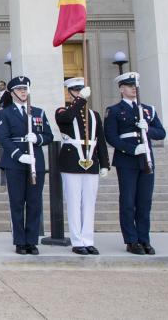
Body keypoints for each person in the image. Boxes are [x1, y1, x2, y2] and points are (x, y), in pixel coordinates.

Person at [104, 72, 166, 255]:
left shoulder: (148, 110)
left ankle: (144, 239)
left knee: (144, 202)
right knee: (128, 201)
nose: (133, 88)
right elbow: (111, 137)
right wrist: (131, 149)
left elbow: (161, 133)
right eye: (130, 86)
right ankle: (131, 240)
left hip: (146, 159)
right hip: (127, 159)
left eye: (135, 86)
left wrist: (149, 129)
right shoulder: (114, 110)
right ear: (122, 89)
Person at [0, 76, 53, 255]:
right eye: (19, 89)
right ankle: (20, 241)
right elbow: (3, 137)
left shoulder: (38, 112)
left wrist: (38, 138)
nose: (23, 92)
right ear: (12, 93)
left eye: (25, 89)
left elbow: (49, 135)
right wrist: (19, 155)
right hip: (15, 162)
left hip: (35, 160)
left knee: (35, 203)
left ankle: (31, 241)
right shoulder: (5, 113)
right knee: (18, 202)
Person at [55, 78, 109, 255]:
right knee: (73, 202)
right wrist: (79, 101)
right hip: (71, 162)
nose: (79, 93)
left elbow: (100, 140)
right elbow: (67, 118)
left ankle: (88, 239)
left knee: (89, 203)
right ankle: (77, 241)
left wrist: (105, 164)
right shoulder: (63, 111)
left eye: (81, 90)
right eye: (75, 90)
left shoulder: (94, 115)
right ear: (69, 92)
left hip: (91, 162)